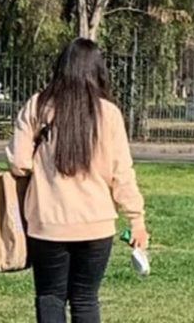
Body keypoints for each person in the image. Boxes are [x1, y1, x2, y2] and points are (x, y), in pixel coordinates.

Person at [8, 38, 148, 323]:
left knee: (50, 297)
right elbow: (122, 171)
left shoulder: (38, 106)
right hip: (96, 225)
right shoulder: (107, 113)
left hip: (47, 224)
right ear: (98, 71)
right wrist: (136, 220)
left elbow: (19, 163)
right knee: (85, 299)